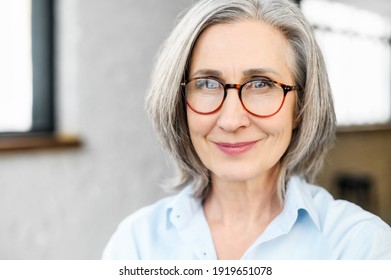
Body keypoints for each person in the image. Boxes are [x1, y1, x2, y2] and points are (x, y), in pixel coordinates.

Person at [102, 0, 391, 259]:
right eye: (207, 84)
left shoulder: (358, 246)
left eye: (261, 84)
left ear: (300, 108)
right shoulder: (136, 245)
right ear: (180, 105)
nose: (231, 120)